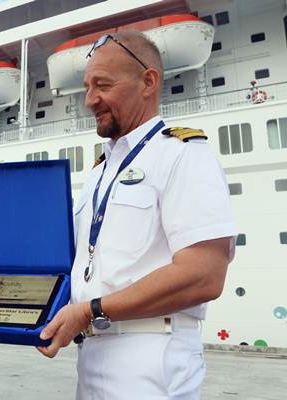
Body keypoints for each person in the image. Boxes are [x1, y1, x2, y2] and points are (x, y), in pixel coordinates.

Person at [37, 31, 237, 400]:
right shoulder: (99, 172)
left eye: (103, 85)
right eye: (86, 87)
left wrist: (89, 311)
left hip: (150, 356)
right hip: (92, 353)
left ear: (148, 82)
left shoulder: (182, 155)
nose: (90, 100)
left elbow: (204, 275)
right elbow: (84, 265)